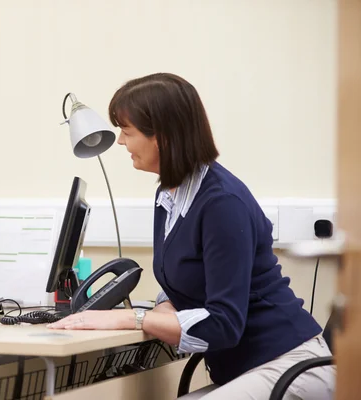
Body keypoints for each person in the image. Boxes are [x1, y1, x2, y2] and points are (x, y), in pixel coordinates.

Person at [48, 73, 335, 399]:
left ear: (163, 137)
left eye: (127, 131)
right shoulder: (169, 197)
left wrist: (133, 318)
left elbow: (223, 324)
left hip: (291, 366)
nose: (121, 141)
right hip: (249, 369)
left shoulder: (222, 203)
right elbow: (190, 285)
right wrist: (165, 308)